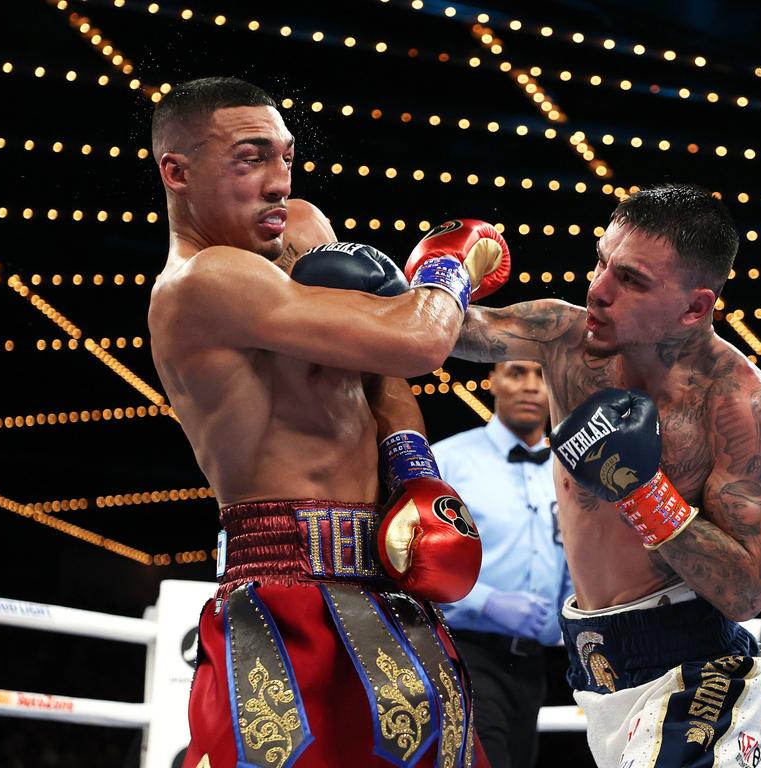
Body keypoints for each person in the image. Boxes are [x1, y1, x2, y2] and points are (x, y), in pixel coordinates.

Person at [146, 76, 511, 768]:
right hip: (282, 595)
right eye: (250, 159)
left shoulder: (305, 234)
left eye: (285, 157)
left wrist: (415, 477)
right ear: (177, 172)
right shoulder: (200, 283)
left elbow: (382, 372)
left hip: (389, 582)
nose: (279, 182)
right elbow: (420, 341)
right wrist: (446, 266)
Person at [450, 184, 761, 767]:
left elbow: (746, 592)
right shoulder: (564, 339)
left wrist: (644, 491)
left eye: (631, 280)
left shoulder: (740, 404)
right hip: (595, 668)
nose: (598, 291)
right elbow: (433, 332)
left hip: (696, 671)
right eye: (601, 261)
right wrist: (441, 272)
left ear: (694, 307)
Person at [431, 361, 571, 768]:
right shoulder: (447, 461)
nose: (530, 387)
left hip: (536, 665)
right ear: (493, 380)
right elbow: (414, 561)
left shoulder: (567, 472)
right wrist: (483, 601)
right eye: (516, 373)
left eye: (541, 376)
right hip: (463, 654)